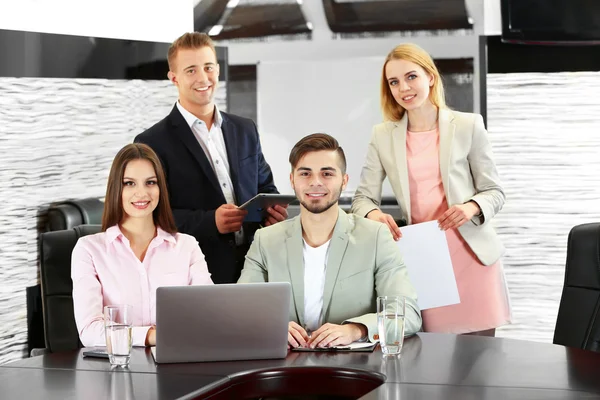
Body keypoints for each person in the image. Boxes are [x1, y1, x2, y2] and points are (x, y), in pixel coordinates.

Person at [352, 43, 511, 336]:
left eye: (411, 76)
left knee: (481, 365)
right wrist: (373, 214)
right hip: (424, 258)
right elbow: (362, 199)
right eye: (394, 82)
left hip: (472, 256)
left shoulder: (468, 125)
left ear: (430, 77)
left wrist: (470, 207)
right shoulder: (383, 135)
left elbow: (494, 191)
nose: (404, 88)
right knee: (431, 360)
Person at [238, 133, 421, 348]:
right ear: (292, 180)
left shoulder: (375, 237)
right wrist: (271, 325)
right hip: (285, 365)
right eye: (305, 173)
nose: (315, 182)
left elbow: (407, 314)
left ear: (344, 181)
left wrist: (356, 330)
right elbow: (242, 309)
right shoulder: (265, 240)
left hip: (354, 368)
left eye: (327, 173)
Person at [135, 32, 287, 284]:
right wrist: (210, 222)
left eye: (208, 68)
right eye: (191, 70)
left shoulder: (245, 128)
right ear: (174, 78)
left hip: (257, 267)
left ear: (217, 69)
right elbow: (150, 216)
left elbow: (265, 187)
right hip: (194, 272)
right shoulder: (151, 142)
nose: (203, 78)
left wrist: (273, 213)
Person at [72, 143, 213, 348]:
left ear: (160, 188)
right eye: (129, 183)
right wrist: (151, 336)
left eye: (150, 182)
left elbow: (208, 317)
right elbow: (90, 332)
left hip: (178, 367)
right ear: (116, 189)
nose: (141, 193)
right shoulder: (88, 250)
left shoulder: (187, 246)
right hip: (117, 369)